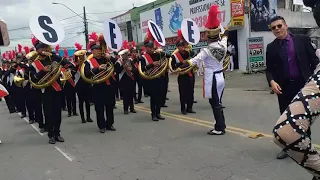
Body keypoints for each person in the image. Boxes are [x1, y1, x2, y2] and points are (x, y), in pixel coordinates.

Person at [272, 0, 320, 178]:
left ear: (285, 26)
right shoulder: (271, 47)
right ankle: (294, 148)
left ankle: (305, 144)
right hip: (285, 88)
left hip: (304, 83)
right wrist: (271, 81)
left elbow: (313, 61)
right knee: (293, 124)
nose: (277, 29)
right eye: (274, 27)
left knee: (298, 127)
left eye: (279, 26)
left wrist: (314, 76)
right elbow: (270, 69)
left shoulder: (302, 40)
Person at [173, 5, 228, 135]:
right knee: (218, 102)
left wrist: (177, 68)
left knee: (214, 102)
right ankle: (221, 124)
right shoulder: (223, 45)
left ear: (208, 37)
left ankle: (219, 128)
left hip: (212, 78)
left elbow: (191, 62)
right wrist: (224, 31)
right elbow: (226, 35)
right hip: (220, 77)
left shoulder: (206, 50)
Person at [29, 36, 74, 144]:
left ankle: (57, 133)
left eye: (44, 47)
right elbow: (33, 79)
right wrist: (43, 71)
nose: (42, 50)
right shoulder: (34, 64)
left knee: (58, 114)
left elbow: (69, 64)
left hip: (57, 89)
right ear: (37, 50)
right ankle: (51, 135)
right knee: (49, 114)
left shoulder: (53, 57)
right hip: (45, 91)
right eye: (40, 48)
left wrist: (63, 61)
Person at [83, 33, 116, 133]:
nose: (99, 50)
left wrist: (110, 58)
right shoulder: (88, 62)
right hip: (97, 87)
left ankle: (109, 124)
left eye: (99, 48)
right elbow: (86, 74)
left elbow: (117, 66)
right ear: (92, 51)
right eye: (96, 49)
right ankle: (101, 126)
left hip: (108, 85)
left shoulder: (105, 58)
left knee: (109, 106)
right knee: (99, 108)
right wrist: (98, 68)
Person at [139, 29, 171, 121]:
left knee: (160, 97)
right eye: (149, 47)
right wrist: (152, 64)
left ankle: (158, 113)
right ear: (145, 47)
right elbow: (142, 69)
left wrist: (161, 53)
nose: (151, 48)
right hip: (151, 79)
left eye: (152, 46)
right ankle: (153, 114)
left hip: (160, 78)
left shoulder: (158, 54)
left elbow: (169, 56)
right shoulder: (142, 58)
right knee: (154, 98)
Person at [170, 29, 196, 115]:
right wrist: (181, 63)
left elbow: (194, 58)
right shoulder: (174, 56)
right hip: (182, 76)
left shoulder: (188, 53)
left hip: (190, 74)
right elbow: (173, 67)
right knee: (183, 93)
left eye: (183, 46)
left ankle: (190, 107)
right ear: (177, 47)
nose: (182, 47)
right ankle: (183, 109)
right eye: (180, 46)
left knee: (191, 92)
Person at [115, 41, 138, 114]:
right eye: (123, 54)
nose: (125, 55)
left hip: (130, 79)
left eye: (126, 54)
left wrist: (131, 69)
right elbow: (117, 71)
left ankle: (132, 108)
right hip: (123, 80)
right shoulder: (118, 62)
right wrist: (123, 66)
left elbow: (135, 70)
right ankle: (125, 109)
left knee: (131, 94)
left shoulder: (130, 60)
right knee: (125, 95)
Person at [74, 43, 93, 123]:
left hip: (87, 83)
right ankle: (82, 118)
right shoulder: (76, 64)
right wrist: (77, 66)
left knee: (87, 102)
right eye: (80, 55)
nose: (81, 57)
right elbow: (73, 73)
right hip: (79, 85)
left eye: (83, 55)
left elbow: (89, 72)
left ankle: (88, 117)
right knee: (81, 102)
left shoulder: (87, 63)